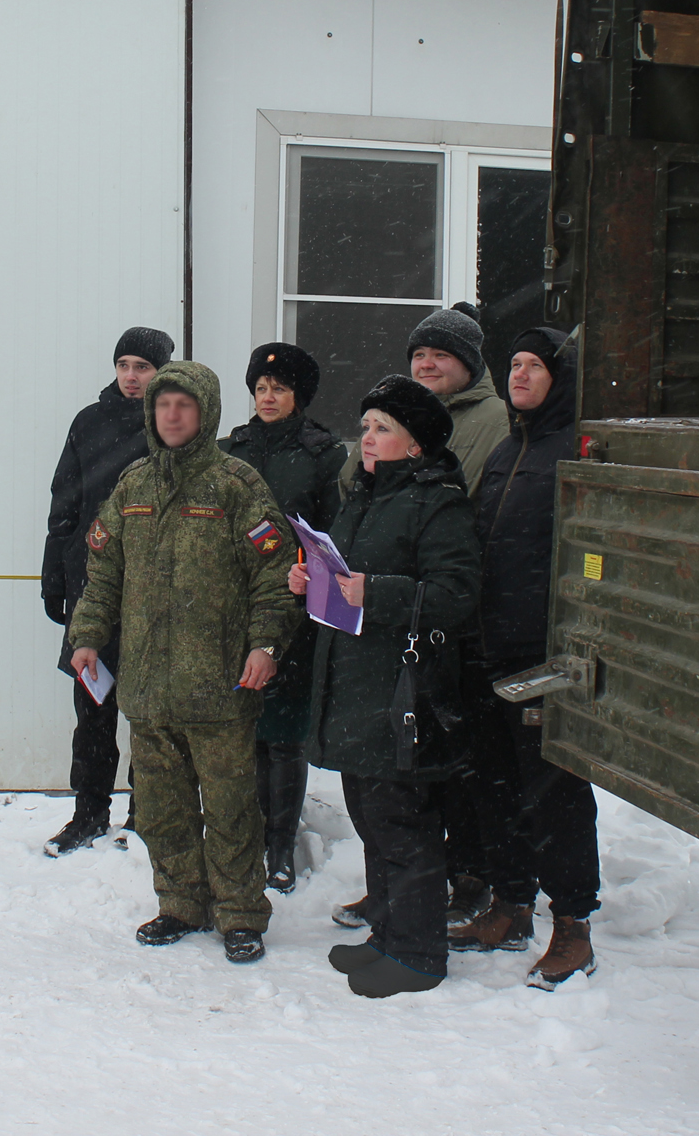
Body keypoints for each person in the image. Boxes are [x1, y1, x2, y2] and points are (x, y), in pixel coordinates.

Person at [67, 361, 298, 965]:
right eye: (163, 404)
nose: (171, 415)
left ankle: (240, 912)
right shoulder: (134, 485)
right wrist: (86, 637)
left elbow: (275, 577)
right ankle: (181, 903)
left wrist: (265, 646)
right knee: (162, 809)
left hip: (219, 686)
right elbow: (103, 574)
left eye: (184, 406)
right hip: (148, 687)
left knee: (230, 809)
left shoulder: (236, 485)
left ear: (206, 413)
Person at [296, 374, 482, 998]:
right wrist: (314, 584)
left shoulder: (438, 503)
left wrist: (376, 592)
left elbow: (457, 594)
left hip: (403, 690)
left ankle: (419, 954)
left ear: (416, 444)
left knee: (404, 823)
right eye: (366, 426)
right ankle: (388, 935)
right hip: (357, 684)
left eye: (383, 428)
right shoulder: (366, 494)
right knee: (374, 820)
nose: (368, 438)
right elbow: (348, 584)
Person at [445, 327, 601, 989]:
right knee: (495, 783)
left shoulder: (576, 453)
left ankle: (573, 926)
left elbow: (593, 556)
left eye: (535, 365)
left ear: (560, 379)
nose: (520, 374)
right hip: (488, 647)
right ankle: (511, 906)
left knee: (554, 792)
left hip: (543, 656)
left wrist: (575, 633)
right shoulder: (508, 450)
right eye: (514, 363)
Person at [41, 326, 173, 856]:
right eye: (124, 365)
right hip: (91, 586)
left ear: (161, 372)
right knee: (92, 707)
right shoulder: (88, 421)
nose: (131, 376)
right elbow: (64, 501)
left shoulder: (171, 424)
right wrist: (55, 574)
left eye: (143, 367)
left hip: (150, 590)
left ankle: (146, 814)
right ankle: (89, 811)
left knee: (148, 710)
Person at [220, 342, 345, 892]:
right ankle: (248, 836)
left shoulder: (323, 454)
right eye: (261, 388)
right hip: (235, 605)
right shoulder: (231, 449)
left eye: (280, 389)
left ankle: (280, 845)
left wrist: (310, 579)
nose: (268, 397)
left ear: (300, 395)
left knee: (285, 732)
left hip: (295, 607)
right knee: (245, 726)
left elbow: (333, 533)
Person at [339, 304, 508, 495]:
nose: (426, 364)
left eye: (440, 355)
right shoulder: (393, 413)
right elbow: (347, 484)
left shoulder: (501, 422)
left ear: (469, 364)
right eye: (419, 354)